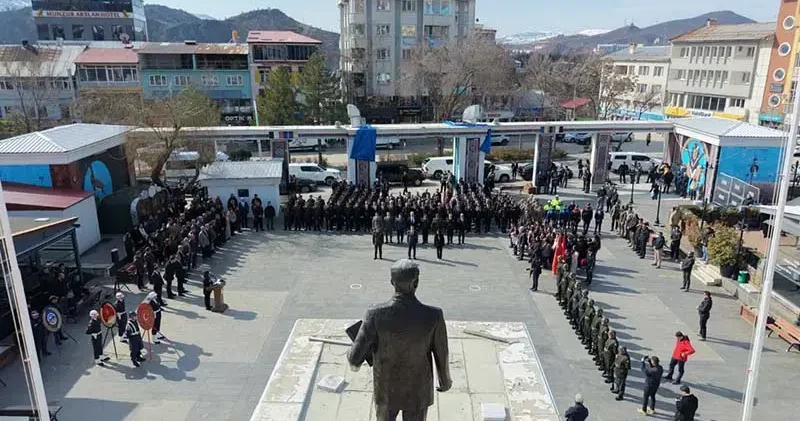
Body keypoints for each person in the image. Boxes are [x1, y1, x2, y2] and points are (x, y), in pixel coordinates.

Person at [347, 259, 451, 421]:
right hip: (418, 389)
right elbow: (441, 352)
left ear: (392, 282)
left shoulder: (374, 314)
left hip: (386, 389)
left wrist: (354, 348)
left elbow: (354, 360)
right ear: (416, 282)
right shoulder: (434, 315)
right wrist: (444, 380)